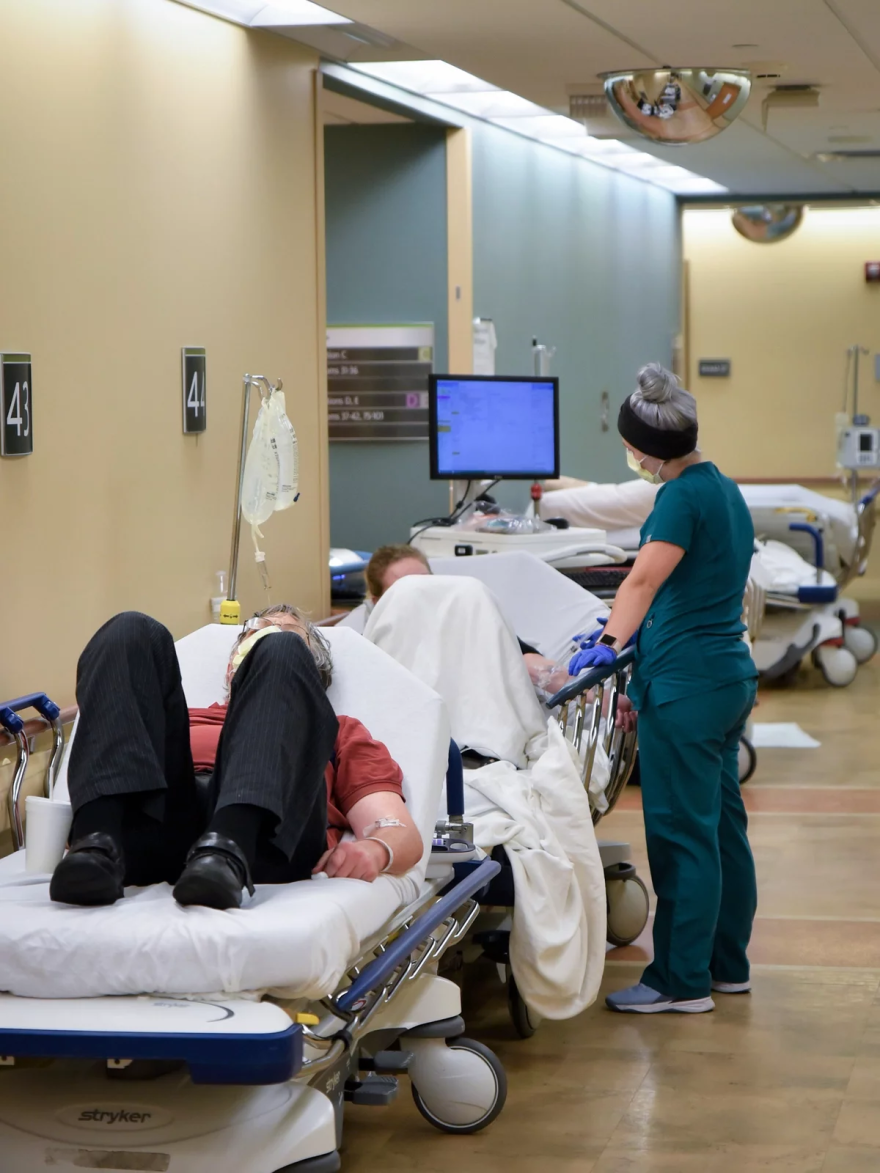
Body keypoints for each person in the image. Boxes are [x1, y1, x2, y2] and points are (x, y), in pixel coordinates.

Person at [570, 363, 758, 1015]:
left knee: (682, 835)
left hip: (688, 689)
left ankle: (681, 980)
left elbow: (643, 583)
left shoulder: (678, 497)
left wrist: (609, 644)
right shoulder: (724, 489)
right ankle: (727, 963)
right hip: (726, 677)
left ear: (645, 450)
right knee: (722, 830)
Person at [49, 605, 423, 911]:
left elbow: (397, 830)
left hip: (264, 844)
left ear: (311, 674)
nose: (264, 640)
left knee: (283, 649)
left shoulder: (338, 731)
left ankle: (226, 851)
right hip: (156, 831)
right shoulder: (186, 717)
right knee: (128, 629)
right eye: (253, 635)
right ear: (231, 667)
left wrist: (376, 850)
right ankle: (96, 846)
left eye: (286, 635)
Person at [366, 544, 568, 694]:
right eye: (405, 590)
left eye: (428, 583)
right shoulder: (369, 652)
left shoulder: (474, 625)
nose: (422, 595)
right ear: (378, 602)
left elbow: (527, 662)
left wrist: (586, 690)